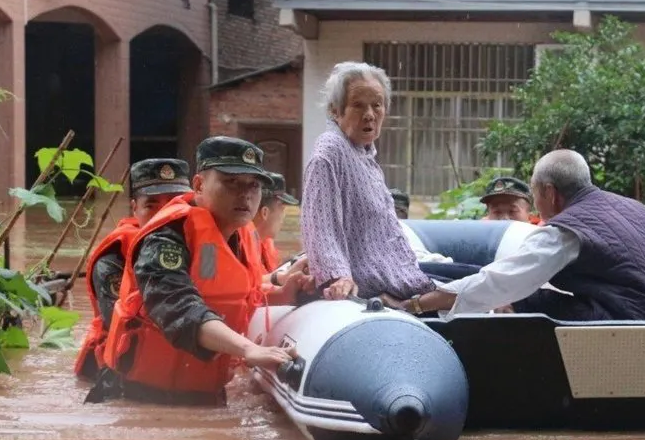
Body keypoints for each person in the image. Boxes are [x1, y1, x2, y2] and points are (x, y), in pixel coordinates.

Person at [87, 136, 314, 406]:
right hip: (137, 398)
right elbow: (177, 307)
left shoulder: (239, 236)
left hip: (202, 393)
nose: (244, 194)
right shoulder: (167, 237)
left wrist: (284, 293)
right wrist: (249, 348)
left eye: (253, 185)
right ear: (198, 185)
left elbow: (222, 294)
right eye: (231, 182)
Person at [386, 149, 645, 321]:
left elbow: (497, 282)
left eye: (534, 193)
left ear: (550, 192)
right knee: (517, 289)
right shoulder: (641, 212)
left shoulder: (564, 233)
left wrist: (415, 304)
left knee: (520, 296)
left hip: (630, 333)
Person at [300, 61, 436, 301]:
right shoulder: (331, 151)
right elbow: (319, 225)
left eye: (377, 105)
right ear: (335, 110)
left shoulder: (363, 151)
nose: (370, 115)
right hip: (372, 284)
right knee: (470, 293)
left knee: (471, 279)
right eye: (358, 105)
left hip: (397, 273)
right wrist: (338, 277)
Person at [74, 158, 193, 381]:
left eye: (174, 204)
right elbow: (121, 326)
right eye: (151, 205)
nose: (164, 215)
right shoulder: (113, 258)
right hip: (124, 369)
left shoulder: (203, 243)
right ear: (134, 208)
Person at [253, 171, 299, 273]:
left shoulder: (264, 242)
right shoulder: (240, 247)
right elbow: (251, 285)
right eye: (282, 209)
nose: (284, 216)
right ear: (265, 212)